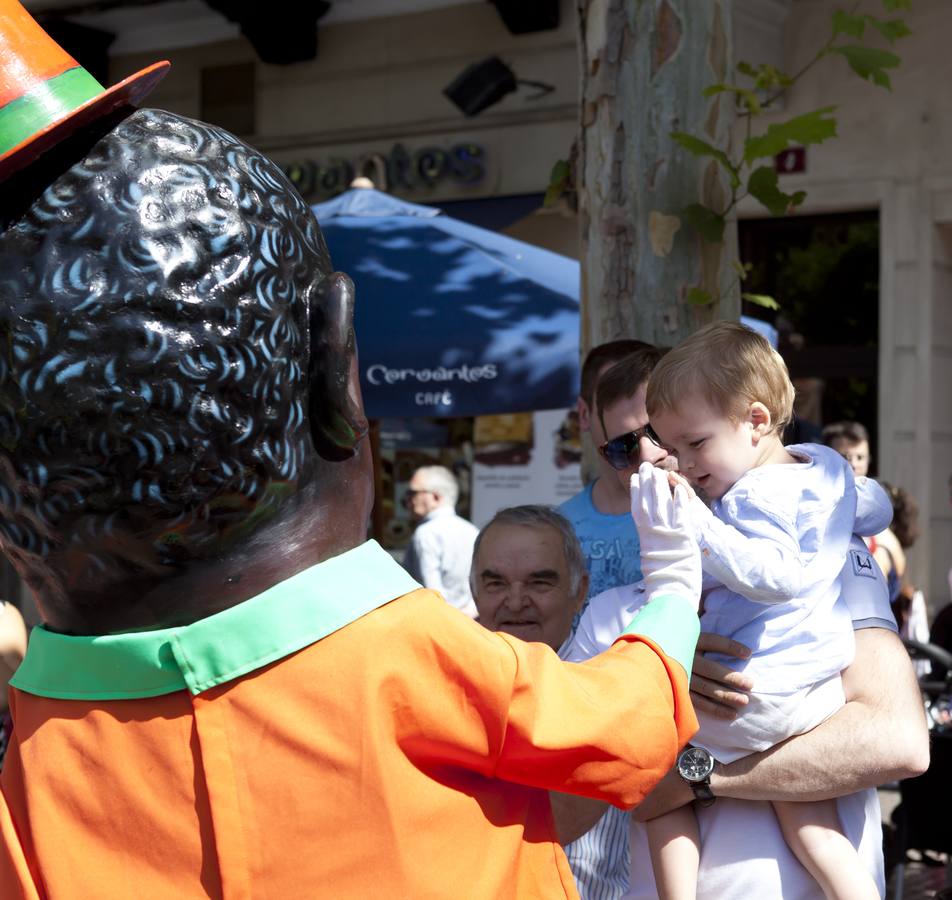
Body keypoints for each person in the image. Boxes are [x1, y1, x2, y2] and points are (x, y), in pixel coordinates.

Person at [0, 7, 704, 896]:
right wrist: (675, 591)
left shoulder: (38, 736)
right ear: (335, 374)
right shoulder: (404, 655)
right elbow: (625, 728)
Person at [642, 321, 888, 900]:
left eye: (695, 444)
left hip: (756, 687)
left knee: (652, 781)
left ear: (756, 421)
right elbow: (871, 507)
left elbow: (775, 576)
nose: (682, 463)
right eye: (671, 448)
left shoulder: (749, 496)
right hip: (812, 686)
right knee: (812, 822)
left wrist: (695, 524)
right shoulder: (823, 467)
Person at [560, 346, 669, 900]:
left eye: (662, 434)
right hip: (599, 755)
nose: (648, 458)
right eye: (624, 446)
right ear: (588, 419)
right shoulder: (559, 527)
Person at [559, 341, 659, 603]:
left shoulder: (697, 509)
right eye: (610, 396)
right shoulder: (557, 529)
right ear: (584, 414)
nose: (631, 409)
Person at [470, 505, 588, 653]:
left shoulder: (603, 674)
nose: (515, 604)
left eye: (538, 583)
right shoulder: (448, 673)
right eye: (496, 584)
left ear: (579, 592)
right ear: (474, 592)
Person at [402, 464, 480, 618]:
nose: (407, 499)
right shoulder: (473, 530)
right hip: (471, 623)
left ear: (435, 497)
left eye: (413, 493)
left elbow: (433, 593)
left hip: (438, 624)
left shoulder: (426, 533)